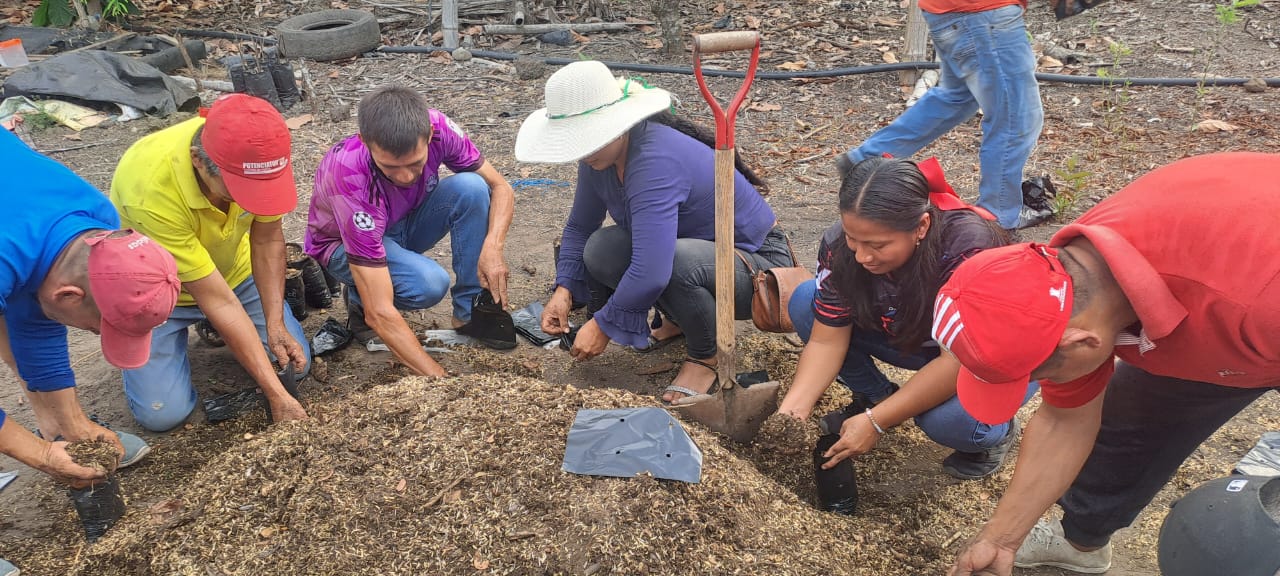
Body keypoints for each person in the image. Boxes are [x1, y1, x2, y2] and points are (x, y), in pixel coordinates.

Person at [937, 152, 1280, 575]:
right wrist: (999, 539)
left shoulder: (1257, 300)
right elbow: (1063, 420)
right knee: (1129, 420)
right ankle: (1080, 543)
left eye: (1034, 375)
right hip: (1221, 315)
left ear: (1083, 342)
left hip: (1254, 304)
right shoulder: (1062, 285)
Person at [514, 60, 794, 401]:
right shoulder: (598, 159)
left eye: (589, 138)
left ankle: (707, 355)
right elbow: (581, 225)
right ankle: (683, 319)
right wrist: (564, 290)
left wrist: (603, 324)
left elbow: (651, 269)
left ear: (618, 125)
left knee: (672, 262)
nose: (584, 151)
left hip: (759, 268)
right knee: (602, 248)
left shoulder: (653, 160)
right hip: (700, 255)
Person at [776, 155, 1029, 479]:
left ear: (921, 226)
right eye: (853, 239)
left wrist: (878, 422)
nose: (862, 255)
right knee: (806, 301)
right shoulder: (841, 246)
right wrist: (791, 415)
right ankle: (878, 396)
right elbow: (826, 342)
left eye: (878, 245)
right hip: (912, 336)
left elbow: (956, 361)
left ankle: (994, 433)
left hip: (981, 358)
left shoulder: (969, 250)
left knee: (949, 422)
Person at [0, 127, 180, 571]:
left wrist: (71, 425)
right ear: (70, 296)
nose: (98, 335)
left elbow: (36, 307)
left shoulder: (96, 221)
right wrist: (40, 455)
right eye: (100, 327)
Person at [109, 93, 311, 432]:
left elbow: (266, 240)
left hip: (232, 274)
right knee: (163, 415)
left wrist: (275, 323)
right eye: (241, 191)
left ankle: (224, 330)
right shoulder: (148, 190)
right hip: (161, 293)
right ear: (198, 161)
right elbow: (216, 299)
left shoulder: (261, 155)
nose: (254, 200)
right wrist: (276, 395)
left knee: (295, 365)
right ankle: (166, 344)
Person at [305, 86, 514, 377]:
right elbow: (379, 312)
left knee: (472, 188)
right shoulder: (348, 176)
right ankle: (359, 299)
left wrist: (492, 247)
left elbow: (500, 186)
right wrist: (441, 380)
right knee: (428, 284)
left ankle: (469, 314)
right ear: (365, 141)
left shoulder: (440, 128)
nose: (405, 176)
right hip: (343, 245)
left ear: (429, 134)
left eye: (415, 163)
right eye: (390, 166)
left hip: (401, 220)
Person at [842, 0, 1045, 232]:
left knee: (957, 98)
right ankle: (997, 219)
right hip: (982, 14)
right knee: (1015, 119)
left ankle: (866, 160)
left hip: (952, 12)